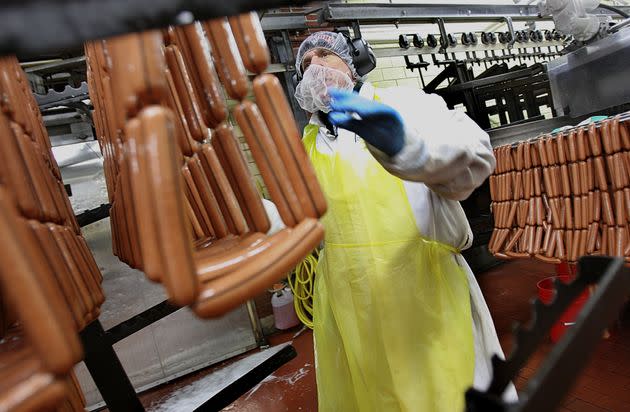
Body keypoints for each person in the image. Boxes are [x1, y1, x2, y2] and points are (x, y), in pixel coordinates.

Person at [291, 31, 517, 411]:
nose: (317, 67)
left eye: (325, 55)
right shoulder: (307, 143)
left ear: (352, 62)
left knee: (448, 390)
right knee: (375, 397)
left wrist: (411, 151)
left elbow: (476, 157)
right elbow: (300, 222)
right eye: (306, 63)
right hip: (352, 305)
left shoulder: (404, 105)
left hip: (422, 291)